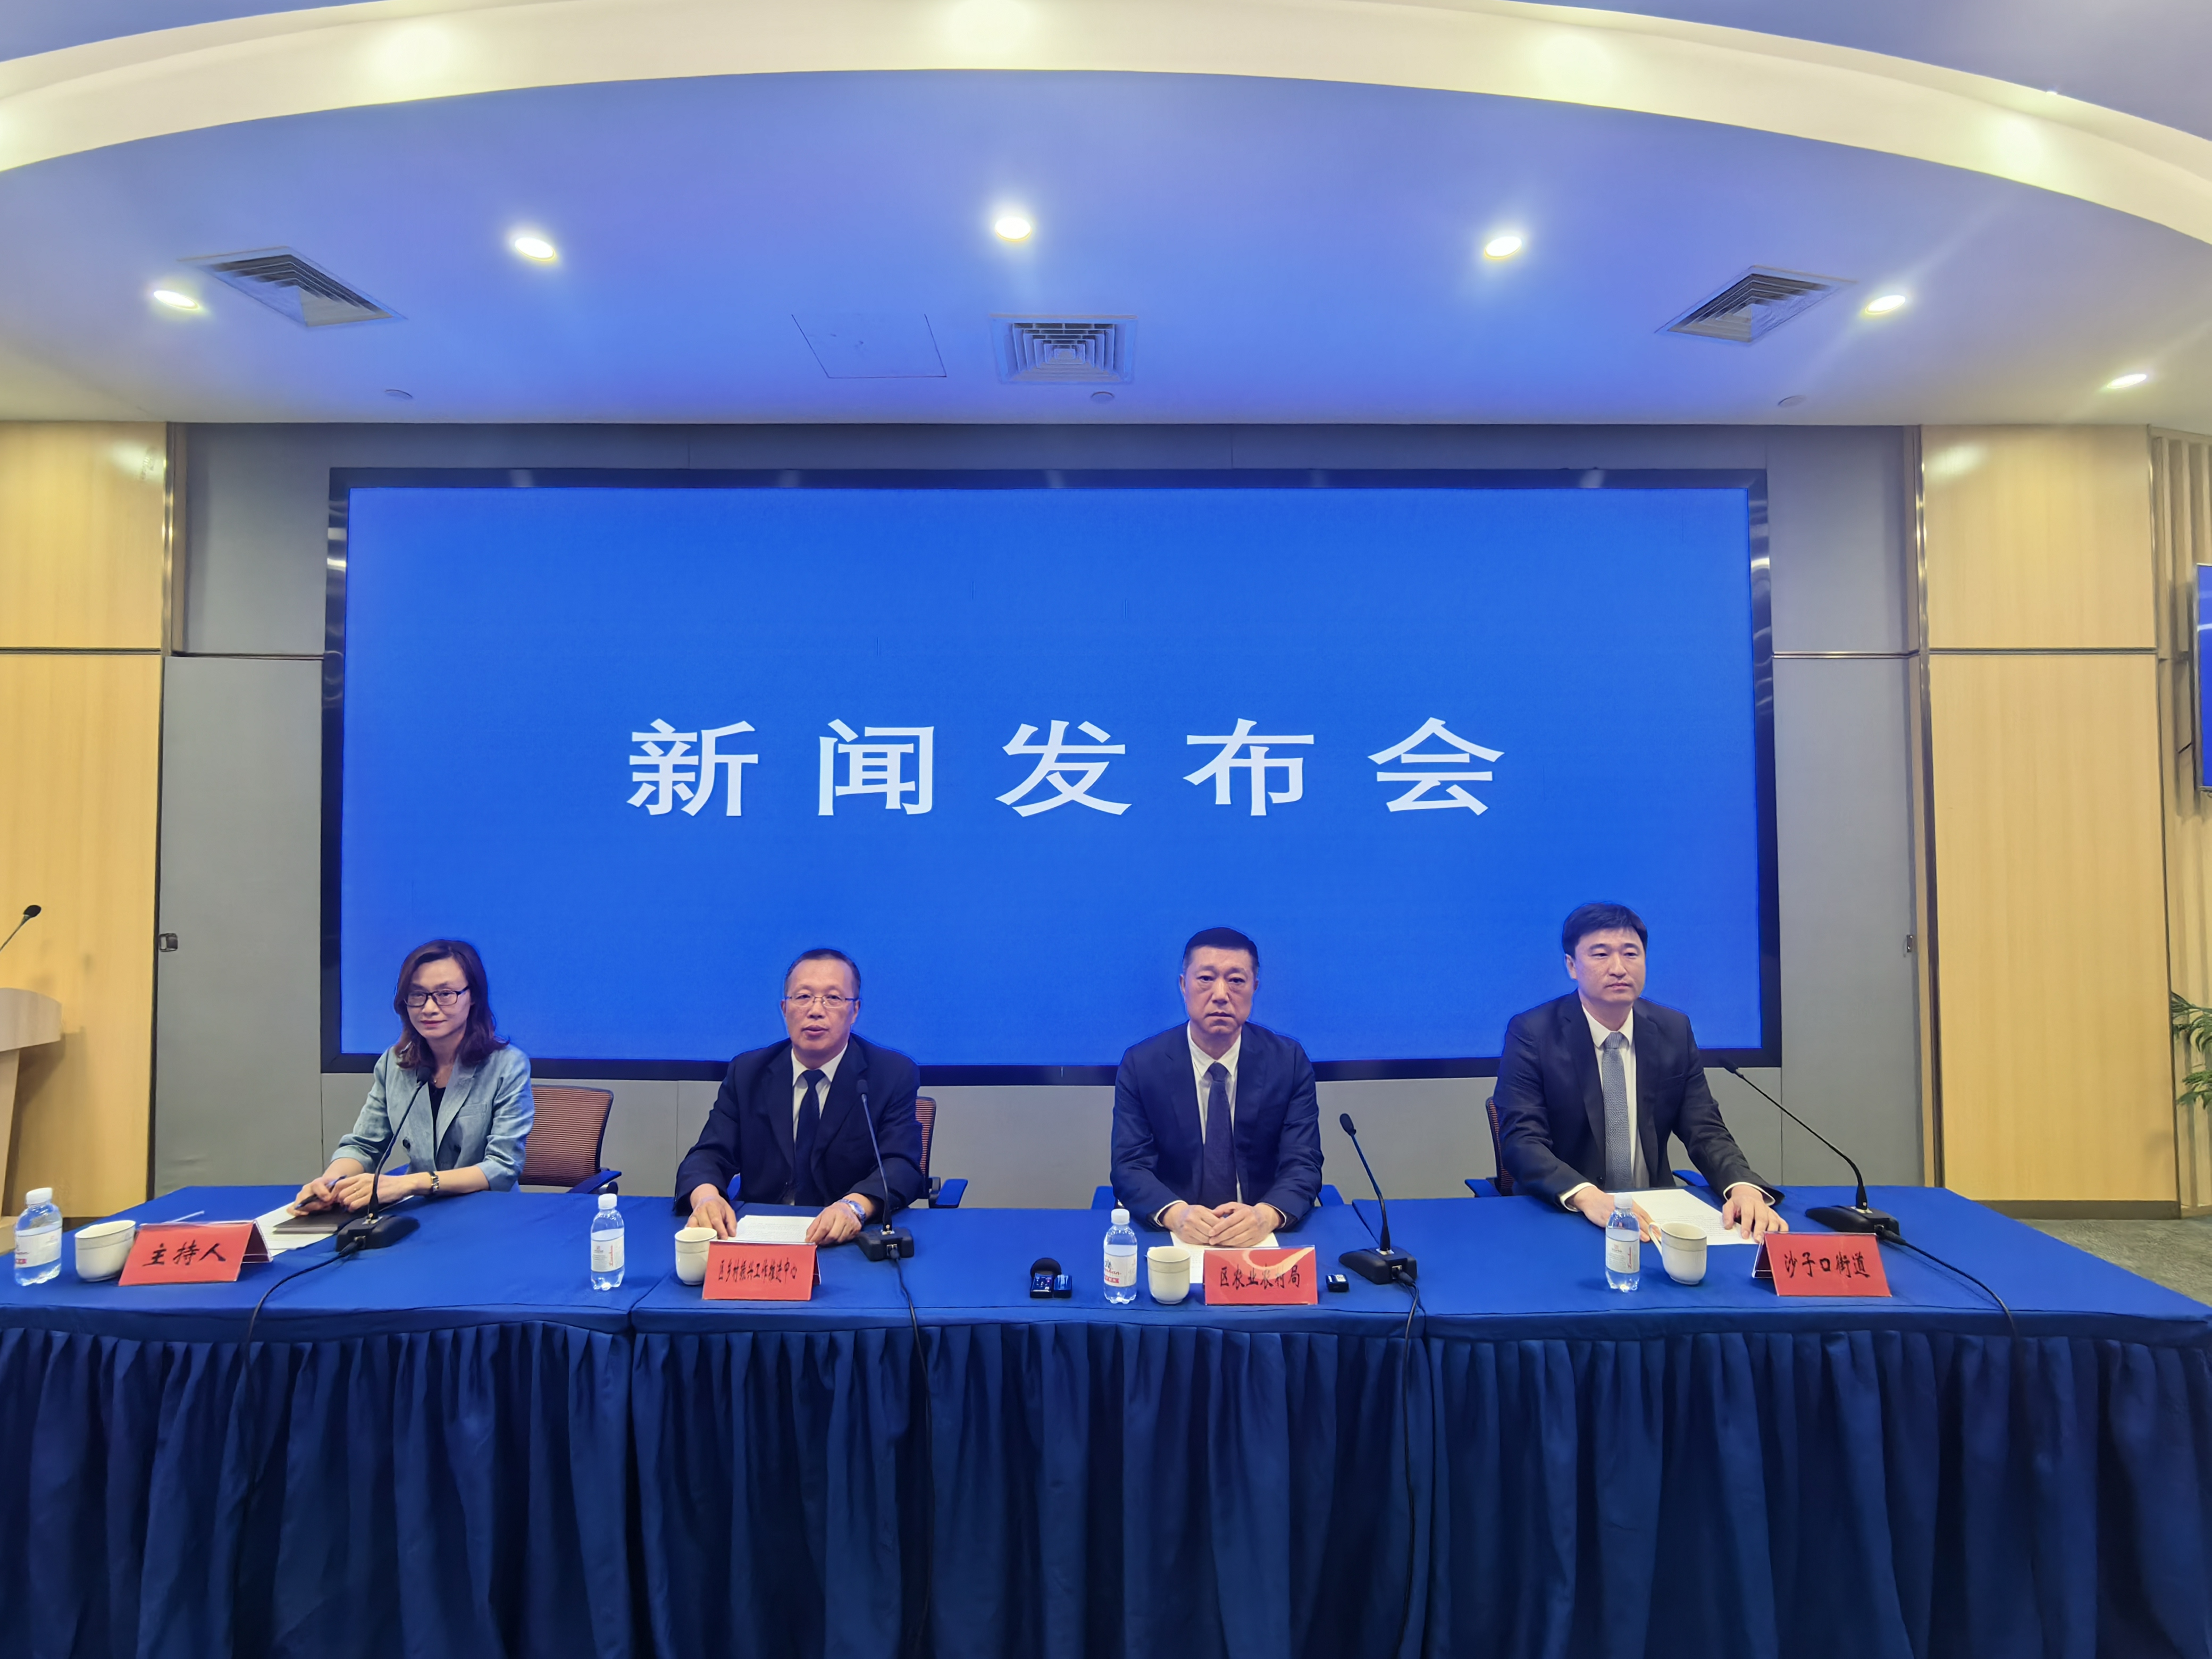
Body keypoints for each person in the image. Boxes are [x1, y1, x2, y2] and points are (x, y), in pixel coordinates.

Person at [1494, 901, 1786, 1239]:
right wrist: (1586, 1196)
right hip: (1568, 1214)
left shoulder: (1673, 1029)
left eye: (1631, 954)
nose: (1619, 968)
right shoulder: (1533, 1033)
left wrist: (1742, 1186)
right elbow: (1522, 1140)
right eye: (1601, 955)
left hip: (1654, 1216)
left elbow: (1705, 1129)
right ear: (1572, 966)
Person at [675, 948, 925, 1246]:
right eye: (803, 997)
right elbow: (708, 1155)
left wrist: (854, 1207)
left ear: (855, 1011)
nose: (816, 1010)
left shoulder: (891, 1074)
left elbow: (901, 1165)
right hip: (760, 1237)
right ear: (784, 1008)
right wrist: (706, 1198)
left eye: (833, 998)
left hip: (848, 1239)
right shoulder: (748, 1072)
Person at [1110, 926, 1323, 1246]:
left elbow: (1303, 1162)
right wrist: (1175, 1214)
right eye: (1206, 979)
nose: (1221, 994)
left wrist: (1266, 1215)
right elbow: (1129, 1165)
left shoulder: (1288, 1061)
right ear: (1184, 985)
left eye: (1236, 981)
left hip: (1259, 1233)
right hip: (1175, 1234)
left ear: (1254, 987)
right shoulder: (1142, 1064)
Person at [294, 939, 535, 1213]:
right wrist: (330, 1183)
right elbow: (364, 1145)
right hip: (421, 1211)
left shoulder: (507, 1065)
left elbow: (503, 1167)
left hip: (487, 1212)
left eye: (445, 994)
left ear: (474, 997)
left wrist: (410, 1184)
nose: (429, 1008)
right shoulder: (395, 1063)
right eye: (417, 995)